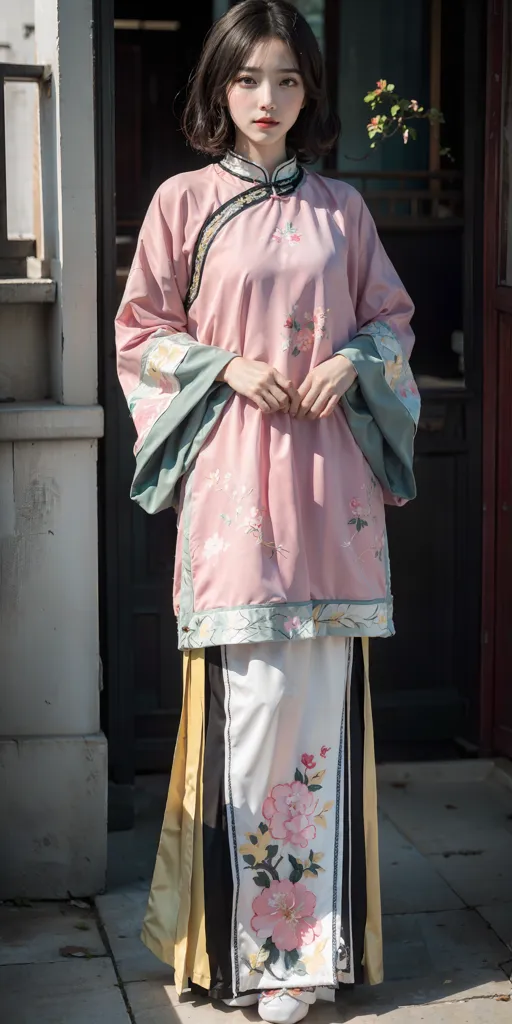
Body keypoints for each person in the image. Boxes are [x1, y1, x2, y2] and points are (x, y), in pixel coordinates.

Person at [115, 2, 420, 1021]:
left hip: (331, 498)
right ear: (219, 86)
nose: (266, 100)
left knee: (317, 721)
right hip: (235, 499)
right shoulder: (183, 203)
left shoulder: (342, 210)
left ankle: (304, 960)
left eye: (286, 80)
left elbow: (390, 320)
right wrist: (227, 364)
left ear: (309, 94)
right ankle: (239, 952)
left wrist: (350, 359)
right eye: (248, 79)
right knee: (246, 722)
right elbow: (141, 335)